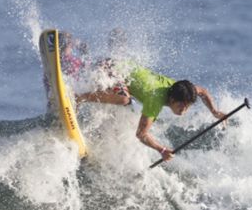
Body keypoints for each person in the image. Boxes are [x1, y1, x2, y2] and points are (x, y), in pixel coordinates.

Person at [77, 59, 226, 162]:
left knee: (126, 105)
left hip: (116, 68)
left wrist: (214, 111)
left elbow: (203, 91)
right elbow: (141, 134)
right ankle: (78, 97)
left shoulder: (182, 88)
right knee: (124, 100)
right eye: (182, 106)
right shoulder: (155, 100)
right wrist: (161, 150)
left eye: (187, 106)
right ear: (172, 100)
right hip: (110, 68)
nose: (184, 110)